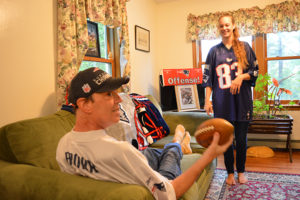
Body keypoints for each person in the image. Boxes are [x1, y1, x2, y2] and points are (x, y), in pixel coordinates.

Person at [56, 67, 233, 199]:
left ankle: (175, 146)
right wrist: (209, 155)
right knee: (170, 152)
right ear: (85, 104)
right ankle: (177, 144)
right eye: (109, 94)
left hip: (126, 167)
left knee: (147, 153)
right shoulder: (118, 151)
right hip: (155, 177)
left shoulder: (63, 145)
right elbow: (171, 192)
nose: (119, 99)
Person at [202, 14, 259, 185]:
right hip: (222, 102)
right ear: (218, 28)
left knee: (241, 139)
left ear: (233, 25)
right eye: (221, 26)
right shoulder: (214, 51)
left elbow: (255, 71)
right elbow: (207, 78)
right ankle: (229, 173)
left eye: (227, 25)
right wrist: (207, 100)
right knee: (226, 140)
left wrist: (241, 77)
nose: (224, 28)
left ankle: (241, 171)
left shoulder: (246, 47)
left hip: (242, 101)